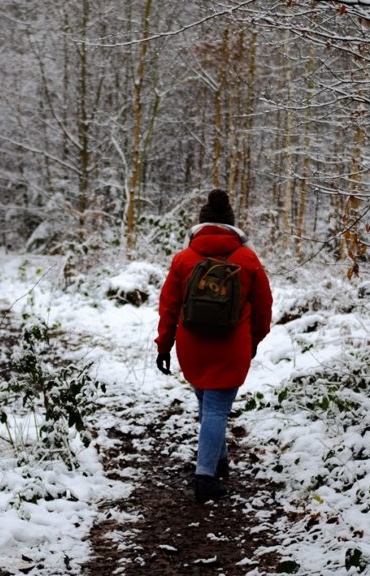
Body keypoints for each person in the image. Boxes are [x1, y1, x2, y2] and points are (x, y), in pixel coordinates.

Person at [154, 189, 273, 502]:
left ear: (200, 226)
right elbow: (263, 310)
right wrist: (253, 341)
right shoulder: (248, 259)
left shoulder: (183, 259)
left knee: (209, 407)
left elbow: (168, 306)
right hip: (231, 346)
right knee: (217, 409)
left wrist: (164, 345)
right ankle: (205, 477)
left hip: (191, 346)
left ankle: (218, 462)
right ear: (232, 227)